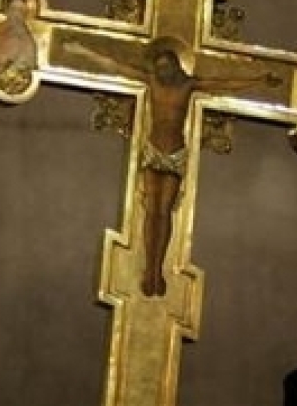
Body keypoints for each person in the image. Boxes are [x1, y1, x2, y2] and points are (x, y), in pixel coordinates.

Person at [63, 37, 279, 297]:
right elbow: (116, 66)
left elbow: (225, 86)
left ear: (176, 66)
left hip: (174, 154)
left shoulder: (188, 85)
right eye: (159, 67)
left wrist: (259, 80)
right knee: (151, 211)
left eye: (166, 67)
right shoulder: (152, 80)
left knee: (164, 212)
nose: (162, 72)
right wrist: (81, 49)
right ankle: (148, 270)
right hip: (154, 151)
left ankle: (158, 270)